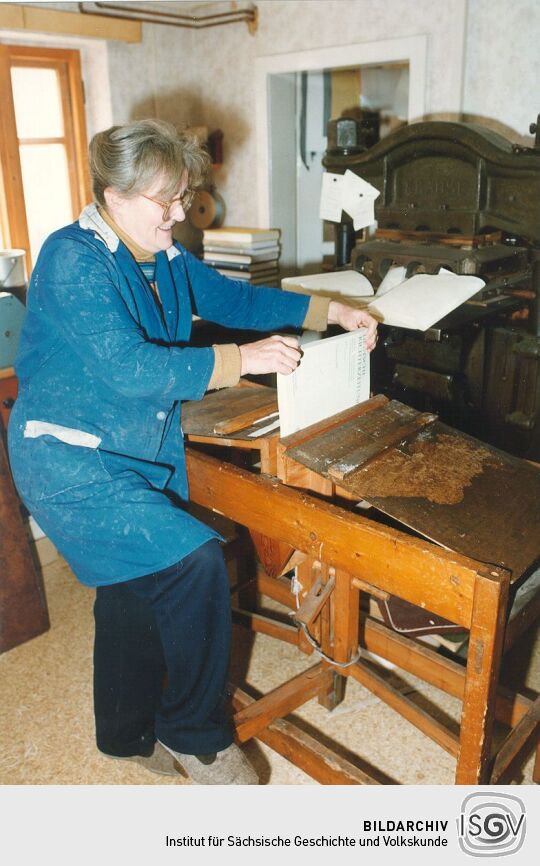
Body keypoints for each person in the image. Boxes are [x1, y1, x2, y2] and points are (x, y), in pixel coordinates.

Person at [8, 119, 377, 785]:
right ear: (115, 197)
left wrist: (328, 311)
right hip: (67, 458)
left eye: (182, 197)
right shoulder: (71, 257)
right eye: (167, 200)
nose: (180, 213)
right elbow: (126, 365)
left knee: (132, 589)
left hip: (133, 444)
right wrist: (243, 359)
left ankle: (123, 736)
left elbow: (234, 297)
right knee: (195, 561)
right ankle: (193, 730)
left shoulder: (166, 255)